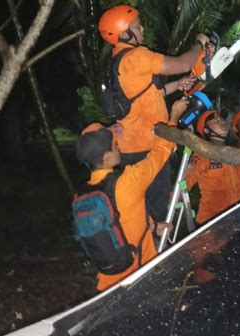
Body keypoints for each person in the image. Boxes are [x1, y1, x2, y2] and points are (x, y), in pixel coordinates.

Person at [98, 4, 210, 222]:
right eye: (138, 27)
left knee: (140, 209)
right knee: (158, 213)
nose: (143, 31)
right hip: (147, 145)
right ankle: (157, 249)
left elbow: (143, 95)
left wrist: (176, 85)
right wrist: (199, 43)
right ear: (124, 33)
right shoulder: (136, 57)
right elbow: (184, 62)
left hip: (129, 145)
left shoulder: (117, 59)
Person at [76, 99, 188, 292]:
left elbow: (117, 223)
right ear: (106, 157)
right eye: (114, 145)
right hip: (139, 277)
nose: (118, 146)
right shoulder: (128, 182)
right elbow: (160, 153)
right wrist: (174, 117)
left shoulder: (83, 192)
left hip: (107, 282)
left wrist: (152, 228)